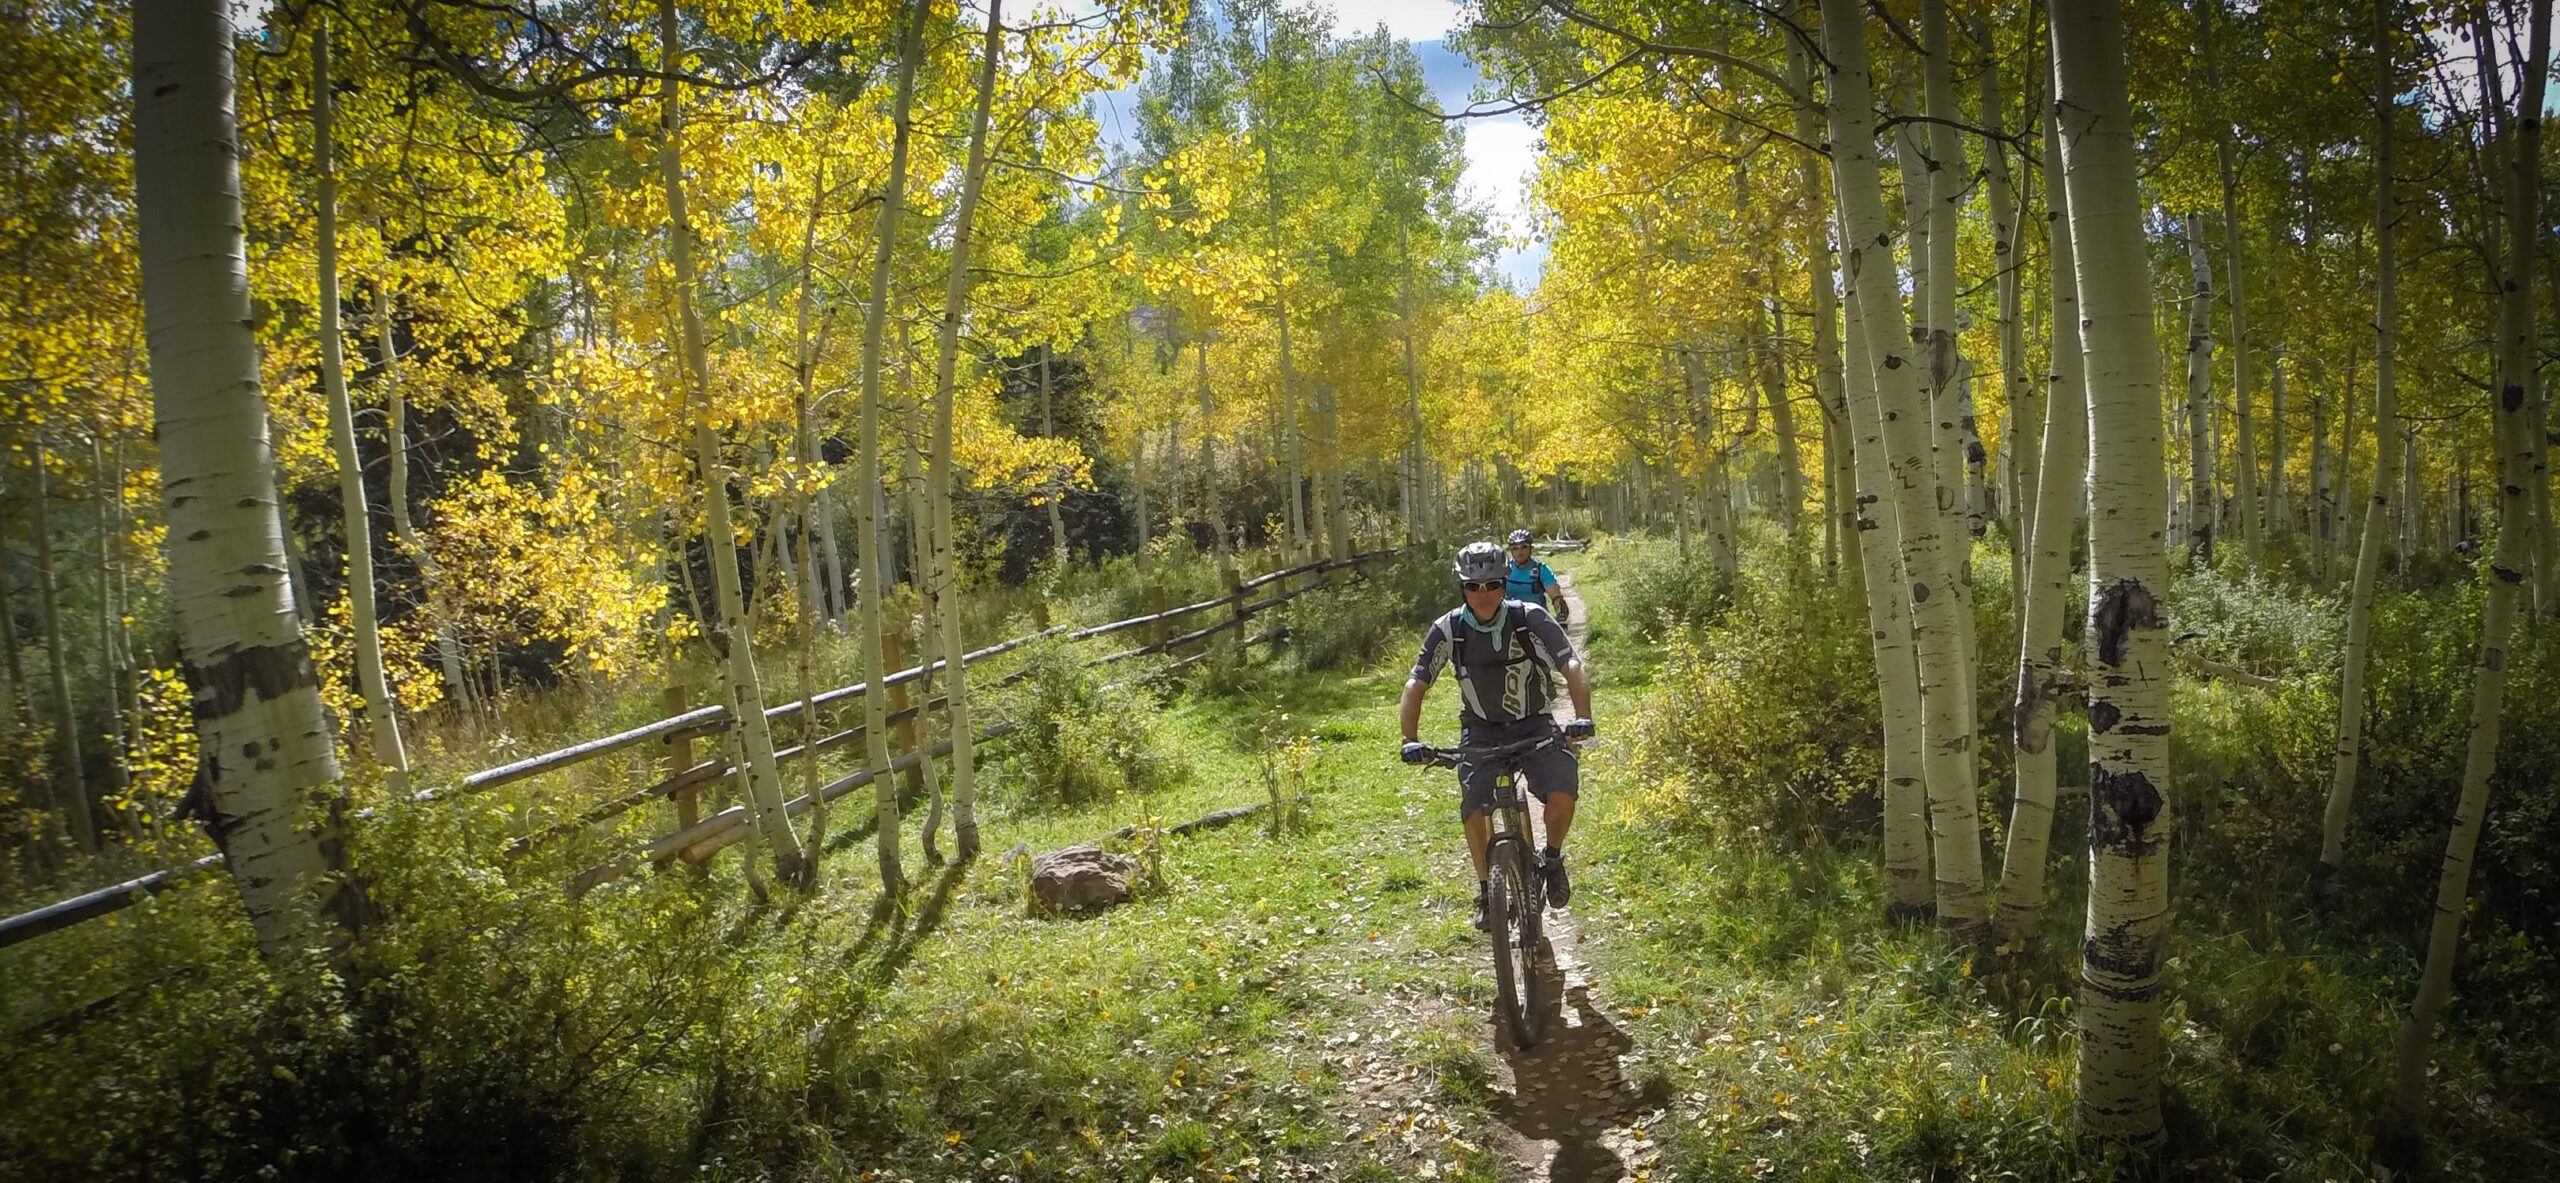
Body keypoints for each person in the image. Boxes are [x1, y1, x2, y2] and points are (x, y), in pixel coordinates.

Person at [1398, 541, 1595, 931]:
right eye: (1473, 587)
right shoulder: (1449, 629)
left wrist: (1582, 717)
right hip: (1481, 729)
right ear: (1462, 589)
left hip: (1535, 722)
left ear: (1505, 584)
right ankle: (1488, 890)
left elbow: (1570, 663)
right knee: (1474, 806)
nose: (1483, 594)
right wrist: (1410, 738)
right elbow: (1417, 682)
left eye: (1492, 585)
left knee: (1561, 791)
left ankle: (1552, 859)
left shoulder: (1530, 619)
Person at [1503, 528, 1567, 622]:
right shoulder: (1504, 570)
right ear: (1511, 551)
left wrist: (1561, 615)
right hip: (1511, 621)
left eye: (1524, 547)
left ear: (1531, 549)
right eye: (1515, 548)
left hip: (1539, 620)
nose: (1520, 551)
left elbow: (1556, 597)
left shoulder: (1541, 569)